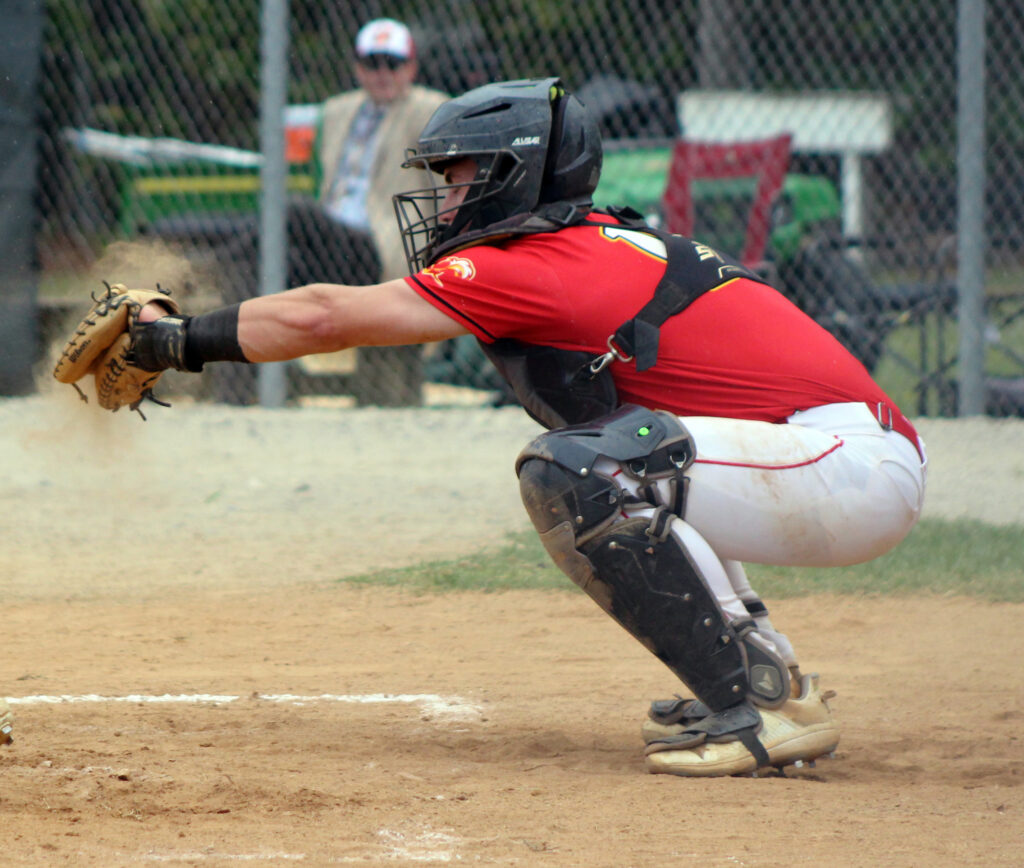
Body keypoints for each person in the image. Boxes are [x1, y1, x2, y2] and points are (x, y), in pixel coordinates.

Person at [126, 78, 927, 778]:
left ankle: (762, 713)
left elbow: (327, 315)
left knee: (584, 470)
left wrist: (173, 340)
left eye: (459, 174)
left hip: (845, 464)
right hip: (832, 458)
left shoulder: (538, 264)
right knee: (623, 456)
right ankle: (765, 680)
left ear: (517, 174)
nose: (443, 195)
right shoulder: (579, 248)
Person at [216, 18, 449, 405]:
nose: (382, 74)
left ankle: (206, 264)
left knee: (289, 214)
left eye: (392, 63)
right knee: (251, 264)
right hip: (330, 244)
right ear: (358, 67)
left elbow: (445, 188)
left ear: (411, 67)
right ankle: (242, 396)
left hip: (379, 246)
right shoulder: (338, 110)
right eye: (372, 63)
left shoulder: (428, 109)